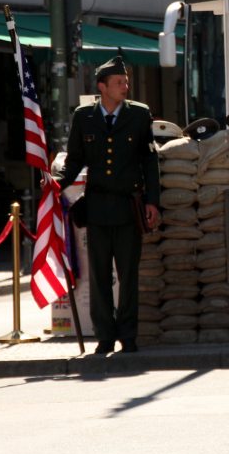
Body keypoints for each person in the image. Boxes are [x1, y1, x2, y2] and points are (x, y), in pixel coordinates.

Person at [54, 56, 160, 355]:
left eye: (126, 81)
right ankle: (104, 334)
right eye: (119, 82)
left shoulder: (139, 115)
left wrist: (153, 200)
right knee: (99, 276)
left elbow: (149, 160)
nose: (125, 86)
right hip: (98, 207)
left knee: (128, 276)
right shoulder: (84, 116)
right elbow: (74, 160)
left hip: (129, 208)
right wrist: (56, 182)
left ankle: (128, 334)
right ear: (102, 87)